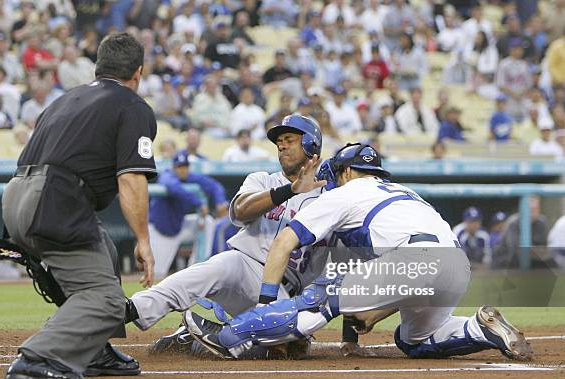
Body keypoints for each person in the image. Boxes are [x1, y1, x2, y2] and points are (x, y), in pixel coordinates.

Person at [183, 144, 533, 363]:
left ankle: (230, 338)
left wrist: (265, 303)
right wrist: (367, 318)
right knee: (415, 341)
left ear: (347, 172)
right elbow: (377, 269)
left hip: (416, 260)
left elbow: (284, 242)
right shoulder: (403, 192)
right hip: (456, 267)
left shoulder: (343, 194)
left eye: (335, 174)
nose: (331, 181)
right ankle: (479, 328)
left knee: (322, 296)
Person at [1, 33, 158, 379]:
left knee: (101, 246)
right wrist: (144, 240)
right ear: (138, 72)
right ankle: (38, 359)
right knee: (106, 300)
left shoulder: (65, 98)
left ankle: (95, 349)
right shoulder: (132, 106)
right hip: (54, 199)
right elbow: (131, 179)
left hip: (16, 195)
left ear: (97, 67)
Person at [125, 115, 327, 359]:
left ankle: (195, 337)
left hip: (286, 293)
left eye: (289, 140)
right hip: (244, 266)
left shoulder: (329, 198)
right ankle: (127, 311)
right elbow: (240, 211)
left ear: (311, 145)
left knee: (286, 351)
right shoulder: (263, 180)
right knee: (211, 269)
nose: (281, 145)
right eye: (279, 141)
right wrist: (288, 191)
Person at [148, 151, 227, 280]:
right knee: (156, 275)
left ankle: (196, 267)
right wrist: (199, 202)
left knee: (207, 221)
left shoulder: (189, 177)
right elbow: (173, 188)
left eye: (185, 166)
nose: (182, 170)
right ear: (174, 167)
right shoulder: (167, 176)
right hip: (160, 231)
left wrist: (219, 201)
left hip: (180, 226)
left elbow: (215, 186)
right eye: (179, 167)